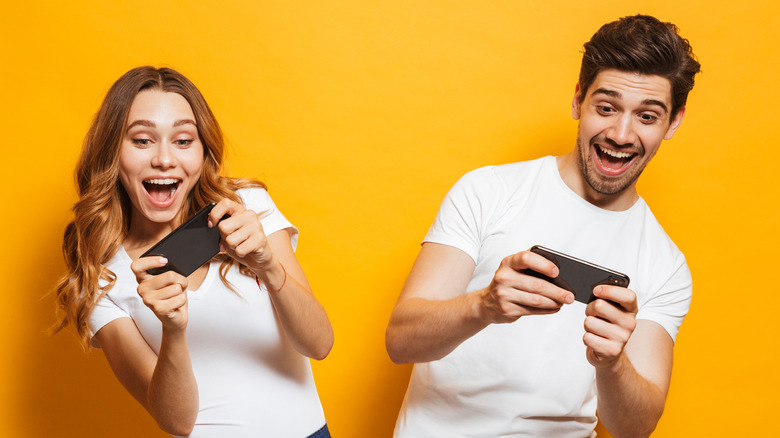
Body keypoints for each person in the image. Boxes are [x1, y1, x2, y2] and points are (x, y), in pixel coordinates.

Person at [385, 14, 700, 438]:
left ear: (673, 123)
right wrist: (484, 306)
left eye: (647, 116)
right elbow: (400, 342)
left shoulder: (666, 264)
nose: (621, 134)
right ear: (577, 101)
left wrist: (613, 362)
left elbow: (636, 427)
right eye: (606, 108)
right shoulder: (488, 190)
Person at [54, 66, 334, 438]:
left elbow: (319, 344)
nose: (165, 159)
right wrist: (173, 328)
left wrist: (268, 265)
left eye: (183, 141)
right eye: (142, 140)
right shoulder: (102, 273)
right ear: (112, 153)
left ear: (203, 153)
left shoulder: (245, 208)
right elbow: (177, 422)